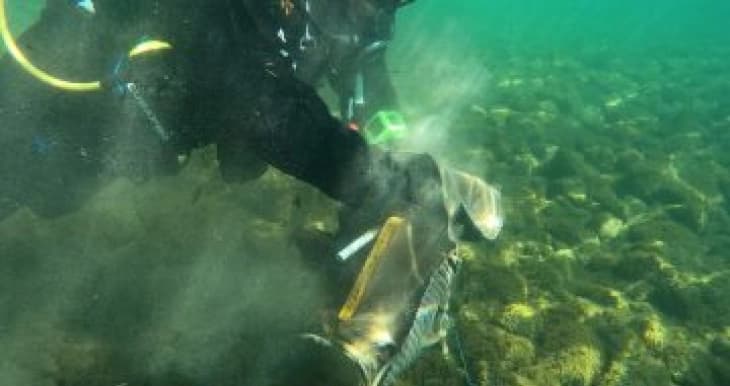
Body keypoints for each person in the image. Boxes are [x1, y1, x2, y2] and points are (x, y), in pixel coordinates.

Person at [0, 0, 502, 265]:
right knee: (24, 174)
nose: (377, 12)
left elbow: (364, 68)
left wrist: (399, 140)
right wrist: (385, 183)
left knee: (53, 191)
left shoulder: (359, 14)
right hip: (48, 110)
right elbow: (254, 101)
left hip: (108, 146)